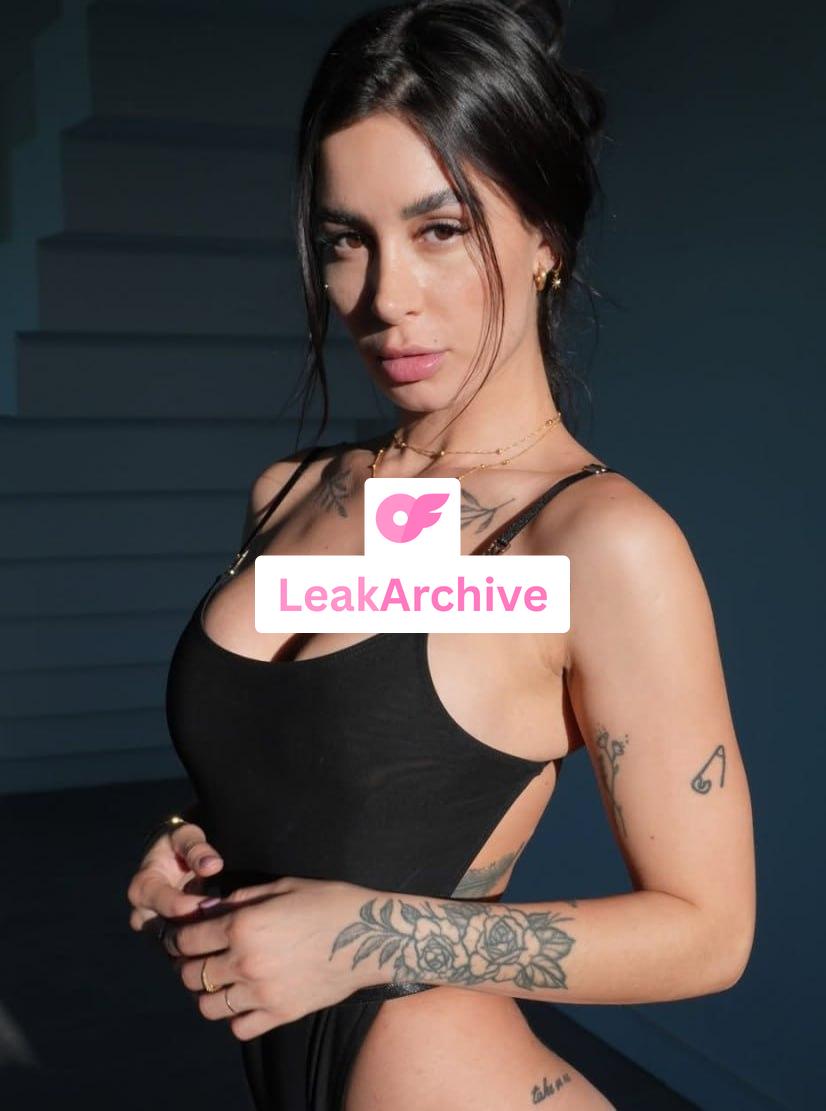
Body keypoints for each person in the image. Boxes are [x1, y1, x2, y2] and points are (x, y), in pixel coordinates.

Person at [126, 2, 756, 1108]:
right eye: (345, 239)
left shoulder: (595, 543)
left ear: (545, 237)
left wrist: (366, 936)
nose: (384, 298)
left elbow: (708, 933)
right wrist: (193, 843)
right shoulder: (291, 495)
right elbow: (338, 765)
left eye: (441, 229)